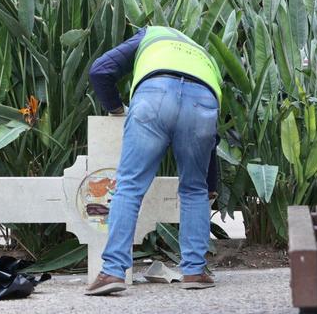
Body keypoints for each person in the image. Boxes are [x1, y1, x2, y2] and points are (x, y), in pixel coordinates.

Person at [84, 25, 222, 295]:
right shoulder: (204, 56)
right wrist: (212, 183)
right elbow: (211, 143)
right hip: (204, 103)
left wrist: (116, 109)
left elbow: (100, 71)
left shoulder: (152, 34)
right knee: (195, 189)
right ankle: (194, 271)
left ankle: (112, 271)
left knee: (130, 186)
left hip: (154, 96)